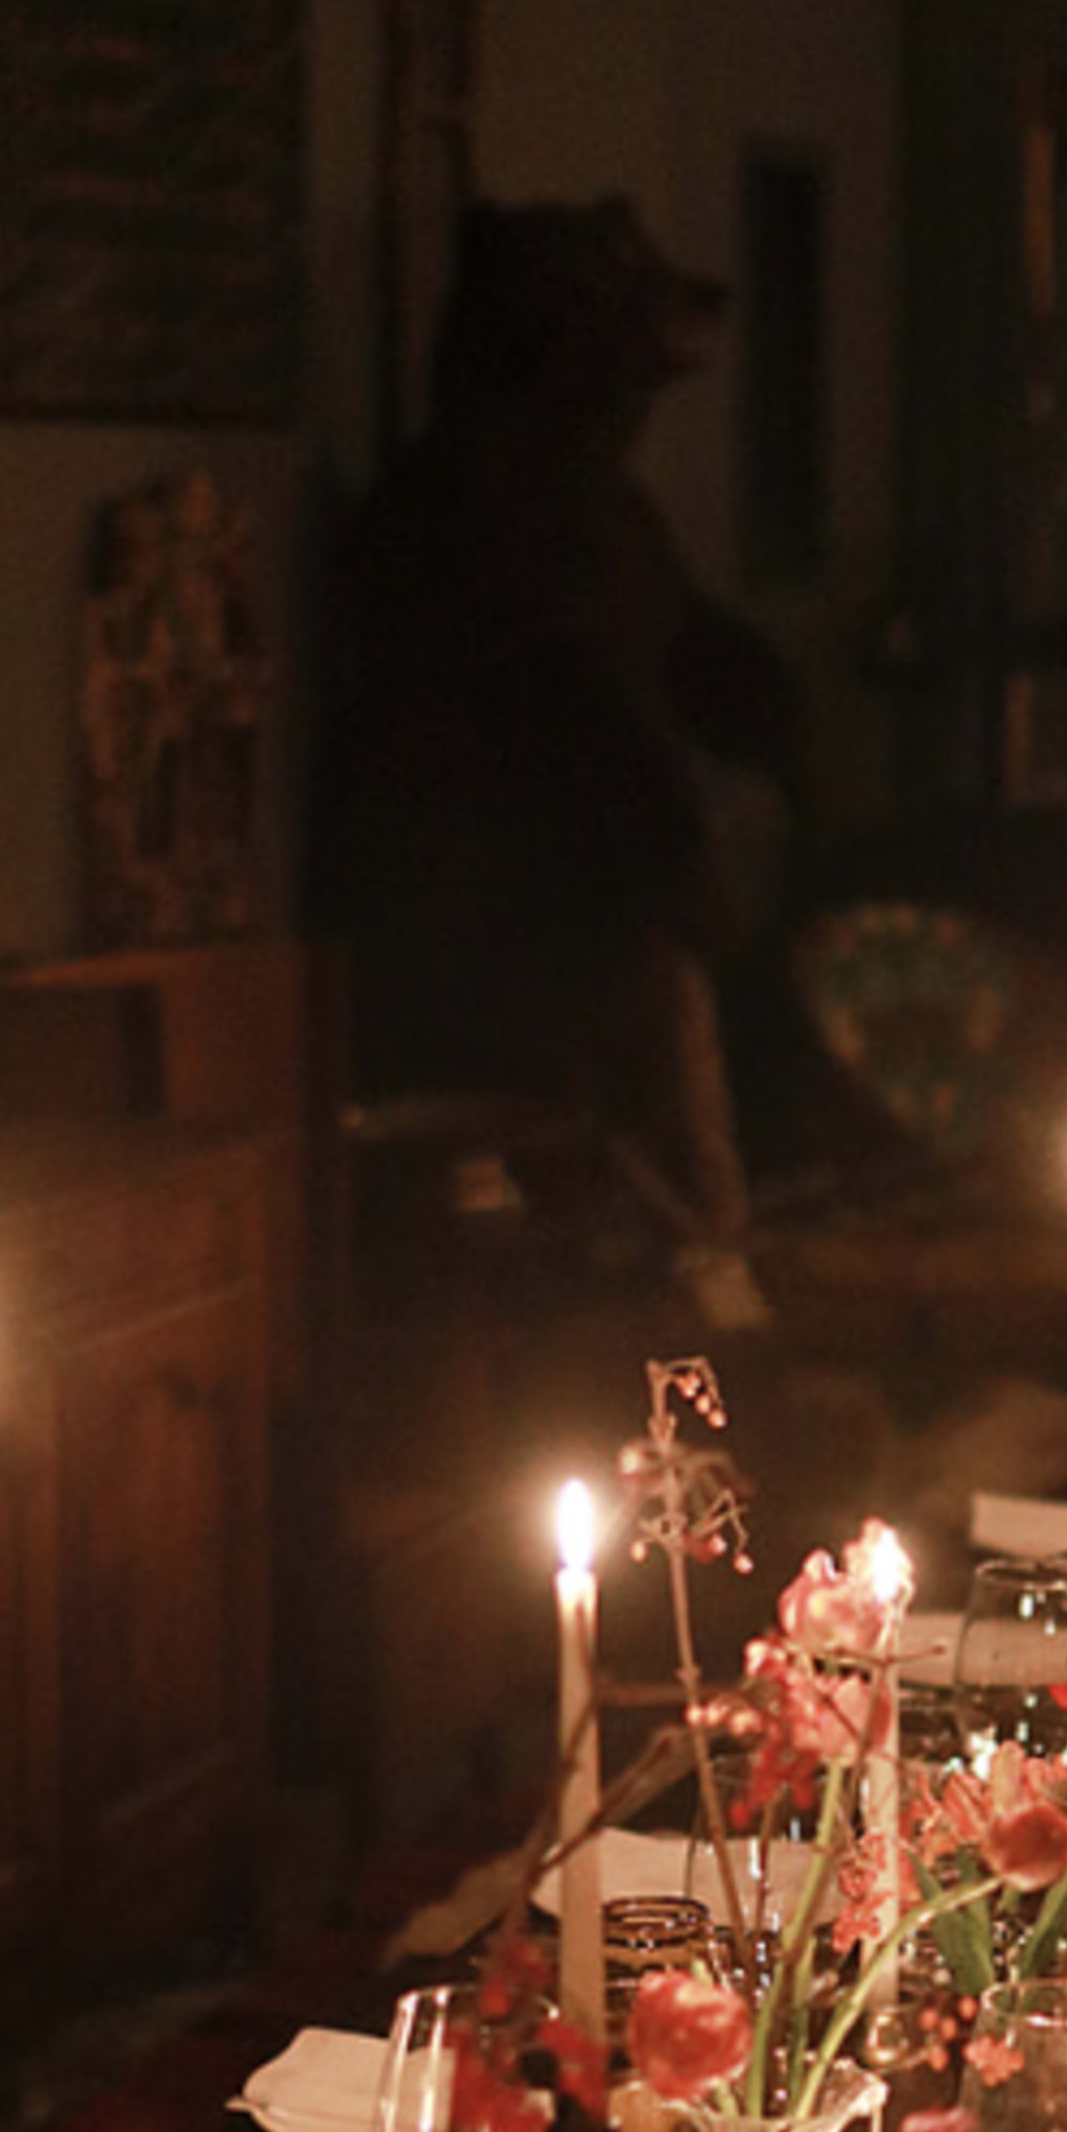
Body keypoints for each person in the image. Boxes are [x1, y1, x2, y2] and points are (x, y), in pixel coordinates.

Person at [317, 198, 808, 1323]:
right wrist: (695, 878)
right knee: (576, 1272)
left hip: (590, 954)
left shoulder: (599, 513)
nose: (632, 416)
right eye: (613, 385)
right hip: (494, 967)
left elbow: (687, 651)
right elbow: (581, 721)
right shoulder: (459, 525)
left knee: (652, 1256)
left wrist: (774, 712)